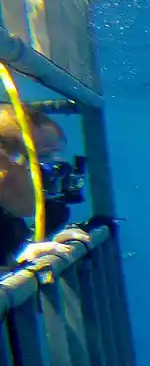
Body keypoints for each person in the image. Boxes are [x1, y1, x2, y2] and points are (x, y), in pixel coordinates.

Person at [0, 103, 92, 272]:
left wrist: (42, 245)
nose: (56, 177)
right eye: (43, 157)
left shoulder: (10, 223)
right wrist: (19, 269)